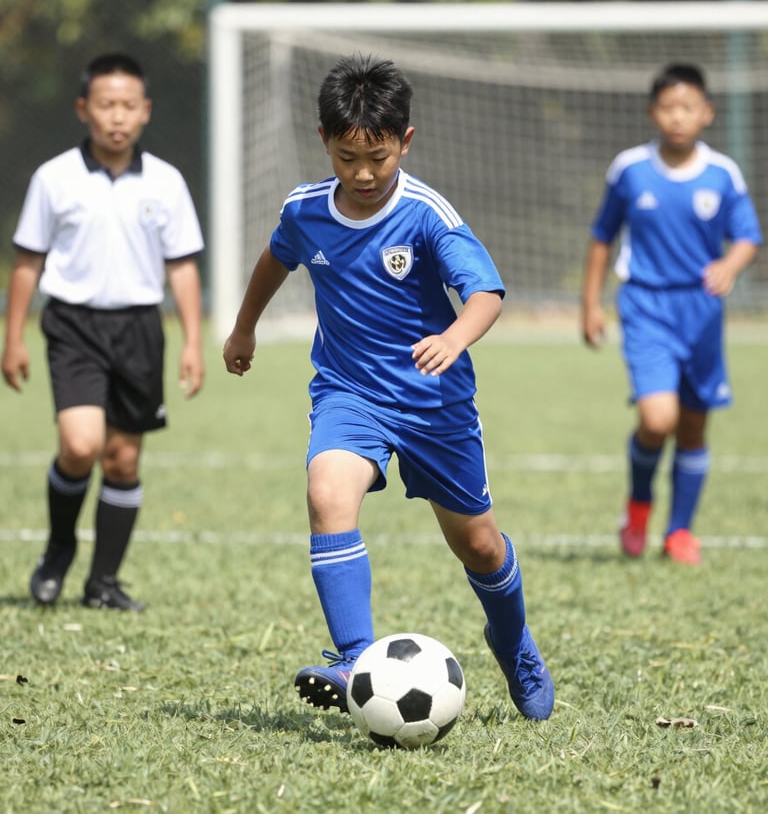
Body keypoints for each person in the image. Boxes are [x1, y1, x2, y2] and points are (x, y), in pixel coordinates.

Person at [223, 54, 554, 721]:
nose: (364, 174)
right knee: (326, 490)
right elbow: (274, 259)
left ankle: (514, 641)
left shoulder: (426, 212)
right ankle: (353, 659)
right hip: (349, 392)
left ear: (405, 140)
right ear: (325, 140)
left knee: (481, 544)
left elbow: (485, 292)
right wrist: (243, 329)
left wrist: (456, 337)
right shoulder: (306, 210)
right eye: (348, 158)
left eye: (377, 157)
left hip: (435, 402)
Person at [2, 53, 205, 610]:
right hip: (73, 324)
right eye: (106, 104)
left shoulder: (165, 182)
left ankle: (103, 583)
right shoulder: (54, 178)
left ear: (145, 112)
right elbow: (27, 261)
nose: (117, 116)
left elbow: (182, 266)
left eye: (128, 105)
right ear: (83, 109)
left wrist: (192, 342)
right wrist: (13, 337)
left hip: (140, 327)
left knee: (122, 459)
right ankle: (59, 548)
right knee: (80, 444)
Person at [581, 62, 762, 565]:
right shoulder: (630, 169)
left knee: (694, 426)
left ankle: (679, 532)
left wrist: (729, 264)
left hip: (701, 311)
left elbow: (748, 237)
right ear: (652, 113)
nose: (677, 117)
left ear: (706, 113)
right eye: (667, 107)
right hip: (646, 305)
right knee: (658, 418)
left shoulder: (723, 173)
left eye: (687, 107)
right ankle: (639, 505)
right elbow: (602, 236)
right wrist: (591, 304)